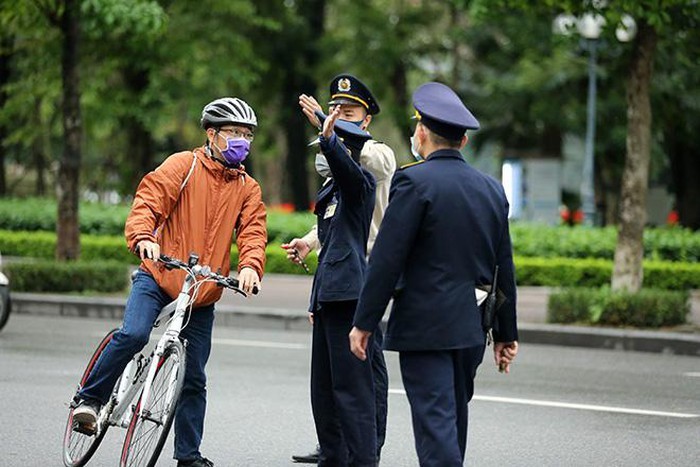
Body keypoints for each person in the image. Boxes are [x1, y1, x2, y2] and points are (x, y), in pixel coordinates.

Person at [72, 97, 268, 467]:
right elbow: (148, 201)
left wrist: (251, 267)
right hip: (159, 275)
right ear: (212, 134)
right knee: (133, 335)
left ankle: (188, 457)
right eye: (235, 133)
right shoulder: (184, 165)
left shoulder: (247, 187)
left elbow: (254, 232)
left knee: (193, 378)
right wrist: (144, 236)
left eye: (248, 135)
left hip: (201, 292)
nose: (243, 140)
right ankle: (90, 400)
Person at [349, 82, 519, 467]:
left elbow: (388, 260)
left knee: (436, 427)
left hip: (426, 328)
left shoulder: (414, 181)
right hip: (472, 329)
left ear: (422, 132)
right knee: (452, 422)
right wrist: (506, 334)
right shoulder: (491, 190)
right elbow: (503, 267)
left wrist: (364, 321)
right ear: (462, 141)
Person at [282, 74, 395, 465]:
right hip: (335, 279)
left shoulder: (376, 154)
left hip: (367, 275)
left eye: (349, 112)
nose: (338, 116)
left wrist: (328, 131)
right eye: (334, 110)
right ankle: (340, 446)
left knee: (364, 378)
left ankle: (367, 448)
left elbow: (357, 177)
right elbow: (332, 221)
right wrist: (308, 243)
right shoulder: (335, 175)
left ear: (366, 119)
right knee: (333, 383)